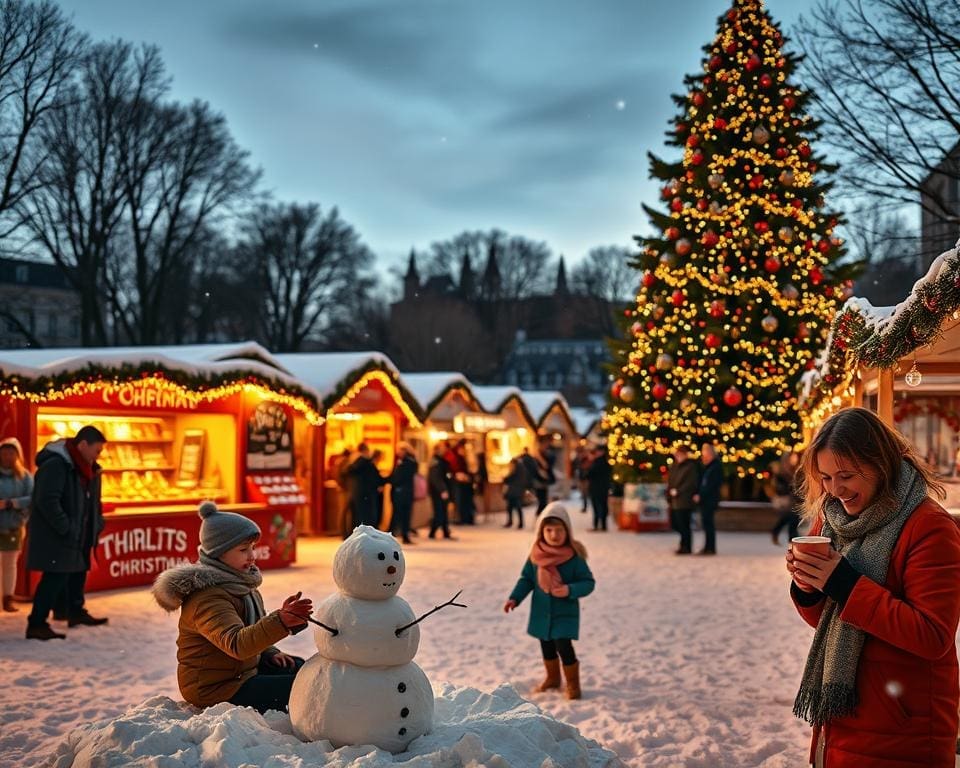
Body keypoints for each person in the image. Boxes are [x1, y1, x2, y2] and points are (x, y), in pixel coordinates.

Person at [786, 407, 960, 767]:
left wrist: (844, 583)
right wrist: (810, 588)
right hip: (842, 720)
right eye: (827, 478)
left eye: (846, 475)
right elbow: (834, 619)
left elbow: (932, 635)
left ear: (880, 463)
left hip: (903, 726)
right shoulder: (833, 520)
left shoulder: (929, 527)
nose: (835, 490)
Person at [152, 502, 313, 713]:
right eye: (243, 549)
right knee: (304, 688)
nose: (252, 556)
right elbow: (237, 644)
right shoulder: (207, 598)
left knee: (300, 668)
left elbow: (253, 628)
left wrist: (270, 652)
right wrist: (281, 621)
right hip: (215, 687)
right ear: (219, 554)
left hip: (241, 671)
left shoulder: (241, 584)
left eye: (252, 548)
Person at [503, 502, 594, 699]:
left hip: (564, 614)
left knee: (564, 646)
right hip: (542, 612)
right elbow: (527, 579)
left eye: (559, 530)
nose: (554, 535)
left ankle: (573, 684)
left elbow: (588, 582)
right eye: (549, 530)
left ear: (567, 531)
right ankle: (553, 678)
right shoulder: (535, 556)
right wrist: (514, 598)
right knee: (546, 645)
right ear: (541, 531)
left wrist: (570, 589)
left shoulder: (574, 558)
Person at [26, 425, 108, 640]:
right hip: (58, 534)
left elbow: (93, 501)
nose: (98, 456)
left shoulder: (88, 468)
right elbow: (46, 500)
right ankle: (37, 623)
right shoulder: (57, 465)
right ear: (83, 445)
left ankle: (73, 611)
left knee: (77, 570)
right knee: (55, 576)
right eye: (97, 450)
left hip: (79, 531)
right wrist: (66, 526)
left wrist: (96, 522)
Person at [0, 437, 33, 612]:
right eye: (4, 453)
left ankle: (7, 598)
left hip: (14, 525)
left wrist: (12, 503)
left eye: (11, 453)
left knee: (10, 563)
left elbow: (33, 498)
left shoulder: (25, 476)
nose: (7, 456)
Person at [666, 445, 699, 555]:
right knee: (676, 524)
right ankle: (683, 544)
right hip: (674, 500)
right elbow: (670, 481)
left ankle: (686, 546)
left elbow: (690, 483)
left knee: (684, 524)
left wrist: (679, 491)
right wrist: (670, 492)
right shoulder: (675, 466)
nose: (678, 456)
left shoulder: (690, 467)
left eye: (680, 454)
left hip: (685, 500)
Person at [345, 443, 384, 532]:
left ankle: (354, 533)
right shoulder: (364, 462)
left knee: (356, 515)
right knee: (365, 515)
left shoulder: (354, 462)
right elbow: (373, 477)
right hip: (365, 493)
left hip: (355, 492)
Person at [693, 442, 723, 555]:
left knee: (708, 524)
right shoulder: (707, 467)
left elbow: (711, 485)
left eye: (705, 453)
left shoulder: (715, 467)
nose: (703, 456)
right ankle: (707, 547)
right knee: (706, 524)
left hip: (710, 499)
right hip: (705, 499)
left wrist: (701, 495)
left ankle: (710, 548)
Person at [770, 451, 802, 546]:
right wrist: (789, 489)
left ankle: (789, 538)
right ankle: (789, 538)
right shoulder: (780, 472)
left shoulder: (795, 470)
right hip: (785, 501)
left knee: (792, 518)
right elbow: (778, 487)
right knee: (791, 518)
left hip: (793, 501)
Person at [389, 442, 418, 544]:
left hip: (402, 492)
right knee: (400, 514)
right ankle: (397, 534)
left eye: (400, 450)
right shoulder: (403, 461)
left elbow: (398, 477)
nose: (398, 452)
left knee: (400, 514)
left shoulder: (408, 463)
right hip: (402, 491)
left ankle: (394, 534)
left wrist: (390, 480)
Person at [427, 443, 454, 540]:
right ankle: (433, 532)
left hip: (441, 490)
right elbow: (436, 478)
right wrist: (442, 490)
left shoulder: (440, 461)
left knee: (443, 511)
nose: (444, 450)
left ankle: (445, 531)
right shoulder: (436, 462)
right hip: (438, 492)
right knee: (439, 512)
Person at [585, 445, 611, 531]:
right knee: (603, 505)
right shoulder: (607, 463)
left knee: (596, 506)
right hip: (604, 487)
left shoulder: (597, 463)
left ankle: (596, 525)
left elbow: (588, 474)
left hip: (596, 487)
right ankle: (603, 525)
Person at [503, 456, 528, 529]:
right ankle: (518, 523)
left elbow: (507, 479)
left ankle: (514, 522)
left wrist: (505, 478)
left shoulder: (515, 470)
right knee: (514, 507)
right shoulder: (522, 469)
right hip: (518, 491)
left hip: (514, 492)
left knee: (514, 507)